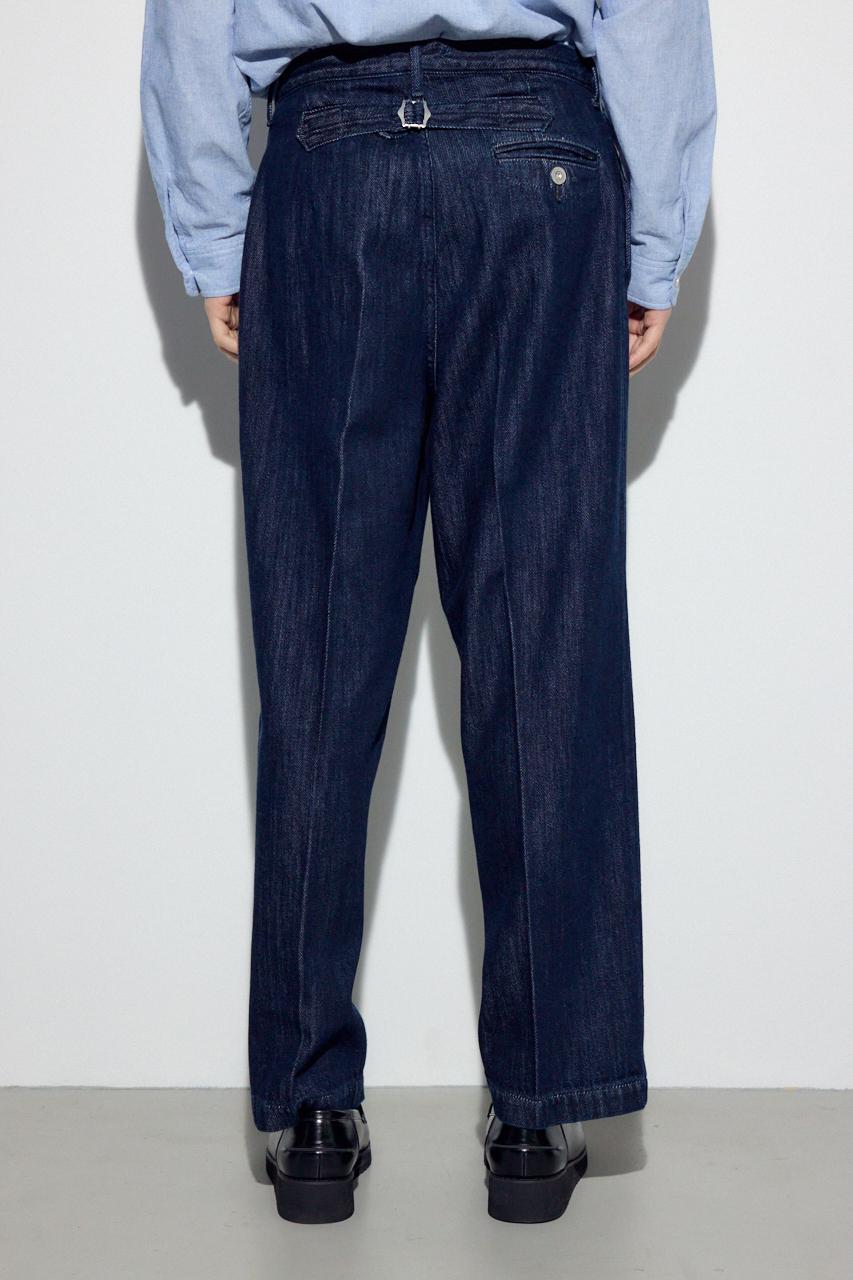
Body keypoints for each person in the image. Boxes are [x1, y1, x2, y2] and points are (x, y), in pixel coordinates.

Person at [141, 0, 715, 1226]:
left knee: (317, 652)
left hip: (327, 167)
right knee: (541, 643)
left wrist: (216, 234)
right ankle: (537, 1110)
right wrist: (654, 239)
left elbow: (193, 21)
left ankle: (309, 1114)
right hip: (534, 162)